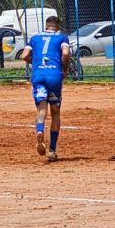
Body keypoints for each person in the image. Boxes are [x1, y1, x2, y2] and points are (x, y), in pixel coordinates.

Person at [20, 15, 71, 162]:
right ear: (58, 26)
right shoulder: (62, 38)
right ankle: (52, 150)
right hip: (54, 76)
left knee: (41, 108)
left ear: (46, 26)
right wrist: (64, 68)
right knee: (55, 113)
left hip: (39, 76)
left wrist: (34, 62)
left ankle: (40, 130)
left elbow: (24, 55)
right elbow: (66, 53)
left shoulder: (35, 38)